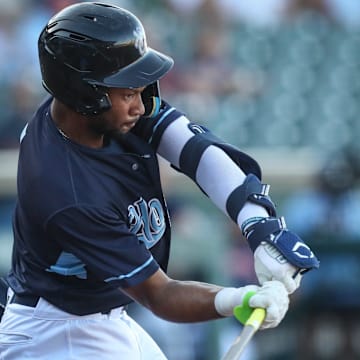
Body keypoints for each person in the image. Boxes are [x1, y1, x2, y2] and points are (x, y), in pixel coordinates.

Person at [0, 2, 319, 359]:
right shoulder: (65, 189)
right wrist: (238, 298)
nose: (140, 105)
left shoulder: (98, 114)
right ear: (84, 94)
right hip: (58, 335)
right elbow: (160, 295)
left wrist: (257, 226)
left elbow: (194, 149)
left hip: (99, 316)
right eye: (128, 92)